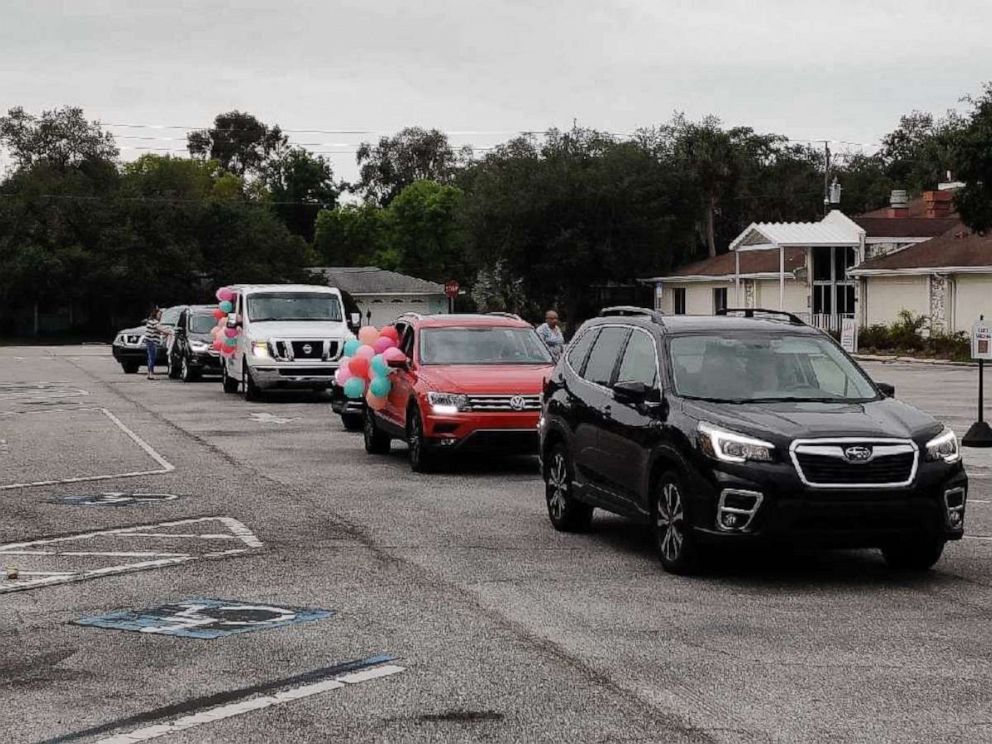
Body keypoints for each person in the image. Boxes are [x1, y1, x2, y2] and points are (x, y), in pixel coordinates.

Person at [143, 306, 167, 380]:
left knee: (150, 357)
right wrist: (169, 333)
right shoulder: (155, 322)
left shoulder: (150, 321)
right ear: (155, 314)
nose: (160, 316)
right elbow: (161, 329)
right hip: (152, 341)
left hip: (149, 341)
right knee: (152, 357)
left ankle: (149, 373)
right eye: (159, 314)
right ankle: (150, 374)